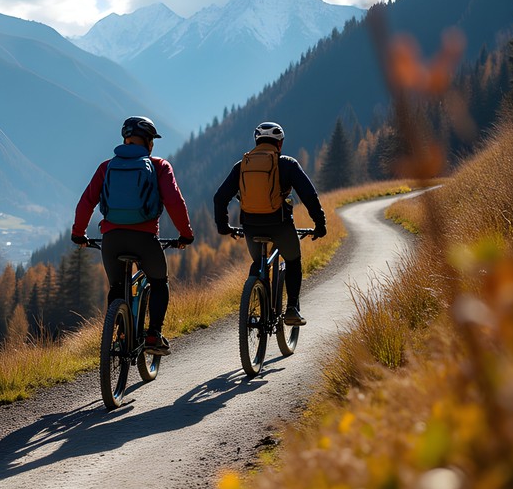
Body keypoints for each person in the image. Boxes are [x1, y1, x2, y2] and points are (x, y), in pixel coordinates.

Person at [72, 116, 194, 355]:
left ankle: (118, 335)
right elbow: (174, 202)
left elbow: (86, 201)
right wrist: (185, 234)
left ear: (125, 140)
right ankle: (153, 335)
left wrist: (79, 234)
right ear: (149, 143)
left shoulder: (107, 166)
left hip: (112, 240)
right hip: (145, 239)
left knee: (117, 288)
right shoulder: (159, 166)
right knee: (159, 282)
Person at [213, 121, 326, 326]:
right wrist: (320, 224)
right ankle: (291, 308)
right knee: (292, 260)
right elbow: (309, 195)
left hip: (251, 226)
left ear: (257, 141)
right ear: (280, 144)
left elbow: (220, 197)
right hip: (280, 225)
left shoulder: (242, 166)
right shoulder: (288, 164)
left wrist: (223, 226)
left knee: (259, 263)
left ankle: (256, 295)